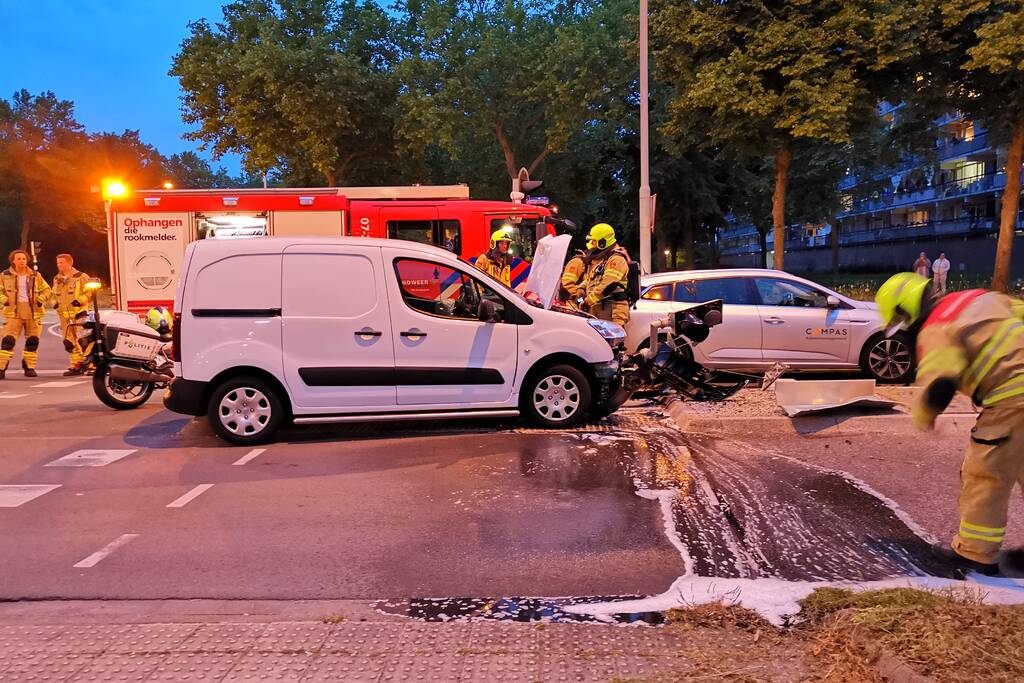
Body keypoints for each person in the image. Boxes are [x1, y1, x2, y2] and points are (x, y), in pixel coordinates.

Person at [876, 272, 1024, 576]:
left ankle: (975, 554)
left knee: (985, 476)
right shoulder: (979, 298)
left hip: (1012, 399)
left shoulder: (937, 328)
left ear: (906, 312)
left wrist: (924, 415)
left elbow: (941, 383)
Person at [0, 249, 52, 379]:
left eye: (23, 258)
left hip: (33, 312)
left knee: (32, 341)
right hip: (13, 313)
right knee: (8, 341)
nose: (21, 261)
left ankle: (29, 367)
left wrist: (41, 299)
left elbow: (47, 289)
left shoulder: (35, 275)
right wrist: (4, 300)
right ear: (13, 261)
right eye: (18, 259)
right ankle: (1, 368)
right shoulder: (4, 275)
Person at [581, 223, 632, 326]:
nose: (591, 244)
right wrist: (581, 289)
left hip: (614, 310)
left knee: (611, 342)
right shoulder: (602, 259)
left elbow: (608, 285)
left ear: (603, 242)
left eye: (594, 241)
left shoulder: (616, 259)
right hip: (601, 309)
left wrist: (588, 301)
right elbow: (593, 279)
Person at [51, 253, 92, 376]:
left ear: (70, 263)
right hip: (64, 316)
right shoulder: (57, 278)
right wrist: (54, 304)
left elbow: (91, 292)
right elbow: (53, 295)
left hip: (79, 314)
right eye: (58, 263)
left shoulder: (81, 277)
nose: (59, 265)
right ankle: (77, 365)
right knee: (69, 343)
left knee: (83, 340)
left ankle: (91, 365)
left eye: (62, 262)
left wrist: (80, 301)